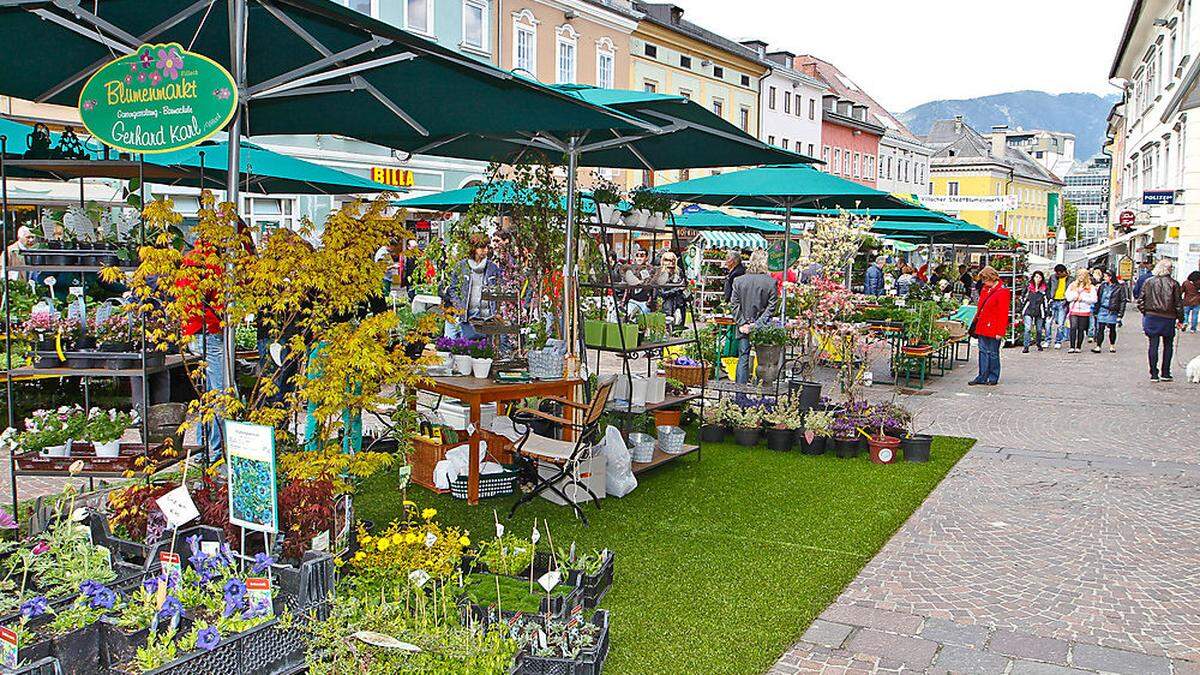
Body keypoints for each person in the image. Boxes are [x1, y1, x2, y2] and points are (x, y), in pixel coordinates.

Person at [730, 250, 779, 384]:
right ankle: (763, 392)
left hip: (743, 326)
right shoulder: (771, 282)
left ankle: (740, 393)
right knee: (764, 361)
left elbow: (734, 304)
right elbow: (771, 307)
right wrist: (757, 324)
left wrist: (742, 323)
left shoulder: (739, 281)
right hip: (761, 327)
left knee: (743, 358)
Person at [446, 234, 501, 339]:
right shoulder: (461, 266)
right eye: (482, 247)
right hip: (467, 314)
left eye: (487, 247)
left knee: (485, 347)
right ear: (474, 248)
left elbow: (498, 288)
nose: (485, 250)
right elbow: (453, 289)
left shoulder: (492, 267)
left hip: (486, 315)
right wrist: (459, 306)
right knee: (468, 344)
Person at [1138, 259, 1184, 381]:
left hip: (1152, 316)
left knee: (1153, 344)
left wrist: (1146, 312)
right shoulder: (1174, 283)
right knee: (1168, 345)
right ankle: (1165, 372)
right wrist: (1180, 319)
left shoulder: (1149, 282)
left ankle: (1153, 373)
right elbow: (1178, 303)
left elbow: (1140, 300)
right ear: (1169, 269)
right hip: (1168, 317)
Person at [969, 266, 1010, 386]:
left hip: (993, 326)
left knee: (993, 352)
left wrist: (1000, 331)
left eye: (985, 279)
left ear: (991, 278)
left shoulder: (1002, 291)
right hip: (983, 324)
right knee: (982, 351)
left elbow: (1003, 313)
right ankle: (982, 376)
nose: (983, 282)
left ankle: (993, 377)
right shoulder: (985, 289)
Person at [1093, 269, 1127, 353]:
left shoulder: (1119, 287)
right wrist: (1096, 310)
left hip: (1112, 310)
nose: (1104, 278)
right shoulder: (1103, 286)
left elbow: (1123, 300)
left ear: (1111, 277)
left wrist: (1120, 314)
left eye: (1106, 276)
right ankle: (1098, 346)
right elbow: (1098, 298)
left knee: (1112, 328)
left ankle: (1112, 345)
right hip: (1103, 308)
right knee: (1100, 328)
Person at [1064, 269, 1097, 354]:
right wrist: (1074, 297)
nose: (1081, 277)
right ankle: (1071, 346)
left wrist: (1083, 299)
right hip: (1074, 309)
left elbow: (1094, 299)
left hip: (1084, 310)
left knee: (1081, 329)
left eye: (1083, 275)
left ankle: (1078, 346)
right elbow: (1067, 296)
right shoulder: (1072, 285)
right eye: (1079, 275)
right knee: (1073, 327)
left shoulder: (1090, 287)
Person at [654, 250, 687, 329]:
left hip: (679, 305)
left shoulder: (679, 271)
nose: (670, 262)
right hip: (665, 306)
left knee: (678, 330)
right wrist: (678, 288)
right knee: (666, 329)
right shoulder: (659, 273)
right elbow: (662, 293)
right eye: (667, 260)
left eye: (673, 260)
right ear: (663, 261)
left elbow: (684, 285)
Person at [1021, 270, 1049, 353]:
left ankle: (1038, 343)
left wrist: (1046, 309)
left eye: (1040, 277)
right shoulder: (1028, 287)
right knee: (1027, 328)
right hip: (1029, 309)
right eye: (1036, 277)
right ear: (1033, 277)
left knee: (1039, 329)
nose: (1038, 279)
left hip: (1039, 310)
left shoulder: (1044, 288)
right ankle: (1026, 346)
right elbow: (1023, 296)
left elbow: (1047, 299)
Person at [623, 246, 654, 317]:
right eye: (637, 255)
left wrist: (649, 301)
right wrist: (623, 301)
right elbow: (627, 287)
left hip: (644, 301)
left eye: (642, 255)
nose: (639, 258)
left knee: (643, 321)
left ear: (646, 258)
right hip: (633, 300)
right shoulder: (631, 269)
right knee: (628, 317)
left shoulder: (650, 270)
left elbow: (652, 287)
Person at [1048, 264, 1070, 349]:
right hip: (1053, 301)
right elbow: (1049, 287)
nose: (1057, 275)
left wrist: (1067, 300)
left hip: (1063, 302)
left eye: (1059, 273)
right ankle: (1048, 340)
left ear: (1064, 272)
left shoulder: (1070, 279)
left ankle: (1058, 340)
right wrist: (1049, 297)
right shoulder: (1052, 277)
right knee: (1048, 322)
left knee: (1060, 323)